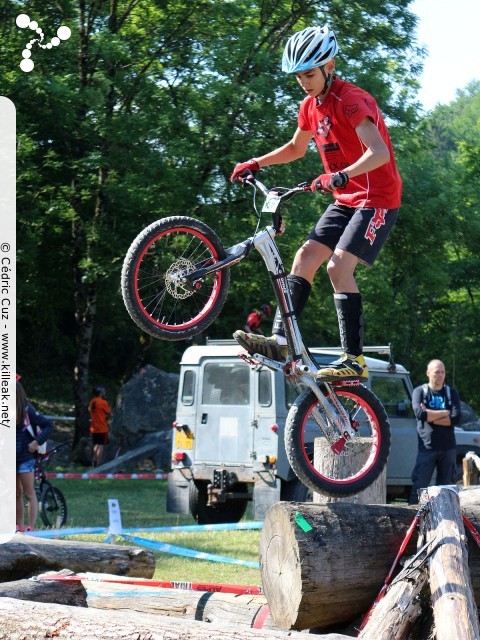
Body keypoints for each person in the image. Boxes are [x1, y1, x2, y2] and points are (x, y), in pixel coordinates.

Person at [230, 25, 402, 381]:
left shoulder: (352, 101)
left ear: (330, 65)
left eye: (310, 74)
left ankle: (353, 359)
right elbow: (295, 148)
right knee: (305, 256)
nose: (304, 82)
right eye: (298, 76)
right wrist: (256, 162)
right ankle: (280, 338)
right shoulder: (310, 106)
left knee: (337, 268)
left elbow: (379, 152)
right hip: (346, 198)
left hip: (377, 198)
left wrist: (340, 175)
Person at [408, 359, 461, 504]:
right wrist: (444, 413)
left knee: (447, 490)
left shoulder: (451, 393)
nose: (440, 375)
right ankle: (412, 521)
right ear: (428, 373)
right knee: (419, 489)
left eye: (443, 372)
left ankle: (447, 522)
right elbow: (420, 414)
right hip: (427, 448)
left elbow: (456, 418)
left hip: (447, 449)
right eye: (437, 372)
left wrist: (431, 417)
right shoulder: (420, 392)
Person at [16, 380, 53, 532]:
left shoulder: (27, 411)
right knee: (16, 494)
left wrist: (36, 442)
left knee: (29, 493)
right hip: (9, 460)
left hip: (26, 459)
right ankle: (19, 527)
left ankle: (31, 527)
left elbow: (48, 425)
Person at [89, 386, 111, 467]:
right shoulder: (103, 402)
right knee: (101, 445)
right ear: (101, 393)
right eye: (104, 392)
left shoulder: (92, 402)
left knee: (95, 444)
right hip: (102, 427)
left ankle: (94, 460)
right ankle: (99, 463)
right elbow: (109, 412)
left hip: (94, 427)